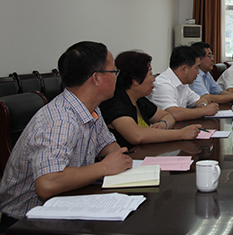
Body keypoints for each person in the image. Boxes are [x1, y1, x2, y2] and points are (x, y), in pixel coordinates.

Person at [0, 41, 132, 225]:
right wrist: (104, 167)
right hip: (26, 221)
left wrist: (119, 160)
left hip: (65, 203)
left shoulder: (91, 108)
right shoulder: (60, 120)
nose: (117, 76)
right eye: (114, 71)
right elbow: (47, 183)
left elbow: (109, 147)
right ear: (97, 78)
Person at [100, 51, 204, 148]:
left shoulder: (139, 100)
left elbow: (167, 116)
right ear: (136, 79)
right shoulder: (114, 103)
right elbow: (137, 136)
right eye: (150, 74)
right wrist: (181, 134)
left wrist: (163, 124)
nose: (153, 79)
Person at [150, 46, 219, 121]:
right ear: (184, 69)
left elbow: (200, 100)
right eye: (196, 68)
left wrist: (203, 106)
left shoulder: (183, 83)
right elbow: (173, 113)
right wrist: (204, 111)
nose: (198, 72)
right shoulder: (163, 84)